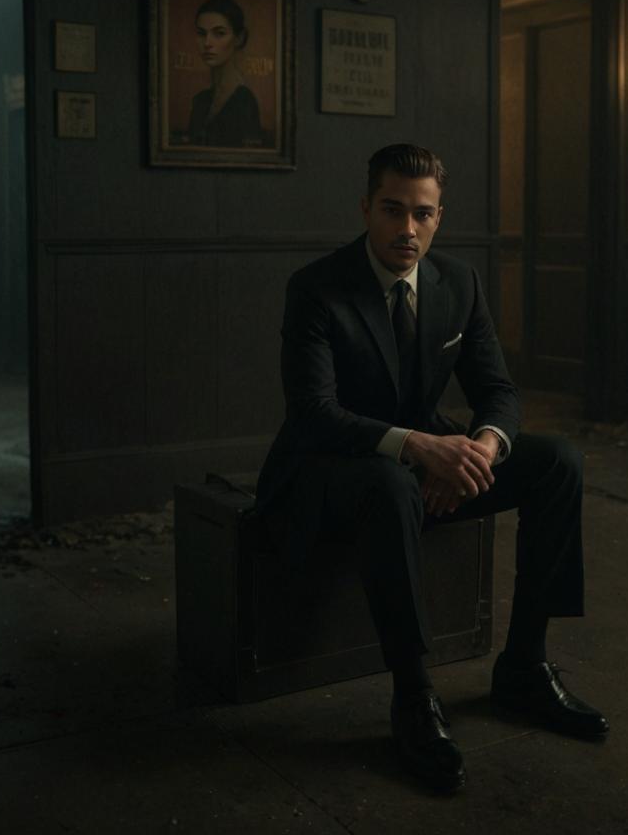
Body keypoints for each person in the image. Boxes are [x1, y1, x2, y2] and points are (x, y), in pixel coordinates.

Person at [256, 143, 607, 792]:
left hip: (423, 463)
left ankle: (524, 667)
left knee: (559, 461)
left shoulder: (459, 283)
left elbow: (498, 391)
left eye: (423, 214)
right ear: (367, 209)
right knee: (391, 482)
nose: (407, 229)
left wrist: (481, 449)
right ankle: (414, 697)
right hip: (326, 470)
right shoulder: (317, 289)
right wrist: (419, 449)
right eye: (393, 211)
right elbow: (313, 412)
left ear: (440, 216)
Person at [188, 0, 262, 148]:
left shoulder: (244, 101)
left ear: (239, 38)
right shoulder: (200, 100)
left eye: (219, 33)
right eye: (202, 34)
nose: (207, 43)